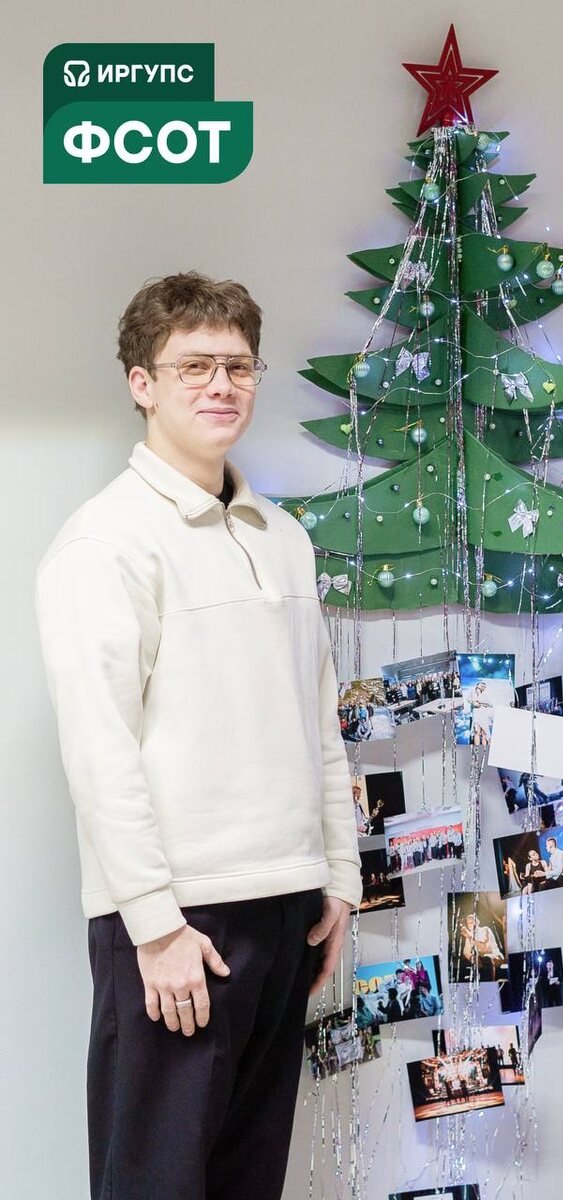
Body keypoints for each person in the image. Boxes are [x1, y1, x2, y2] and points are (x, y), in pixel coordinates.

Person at [35, 273, 362, 1200]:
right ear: (141, 383)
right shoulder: (105, 542)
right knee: (157, 1183)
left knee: (248, 1181)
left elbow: (318, 720)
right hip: (181, 922)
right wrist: (155, 924)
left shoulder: (284, 537)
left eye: (239, 366)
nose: (222, 385)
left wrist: (337, 877)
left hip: (287, 907)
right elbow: (100, 752)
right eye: (194, 367)